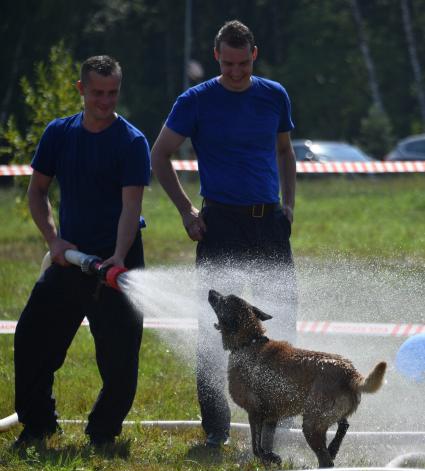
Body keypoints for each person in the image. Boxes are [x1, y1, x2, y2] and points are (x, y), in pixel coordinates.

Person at [151, 20, 297, 448]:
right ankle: (215, 430)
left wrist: (289, 205)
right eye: (228, 63)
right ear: (217, 56)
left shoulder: (274, 95)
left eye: (243, 63)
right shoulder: (194, 101)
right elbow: (160, 155)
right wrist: (185, 210)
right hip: (220, 224)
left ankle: (282, 418)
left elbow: (285, 152)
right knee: (213, 328)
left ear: (255, 53)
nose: (236, 72)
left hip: (268, 221)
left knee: (282, 319)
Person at [13, 55, 151, 448]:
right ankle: (38, 424)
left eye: (112, 93)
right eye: (97, 93)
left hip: (117, 257)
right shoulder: (59, 134)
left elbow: (130, 208)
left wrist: (119, 258)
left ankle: (103, 433)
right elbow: (37, 192)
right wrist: (54, 241)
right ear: (81, 90)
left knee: (120, 358)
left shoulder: (131, 141)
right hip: (70, 256)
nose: (105, 102)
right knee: (31, 338)